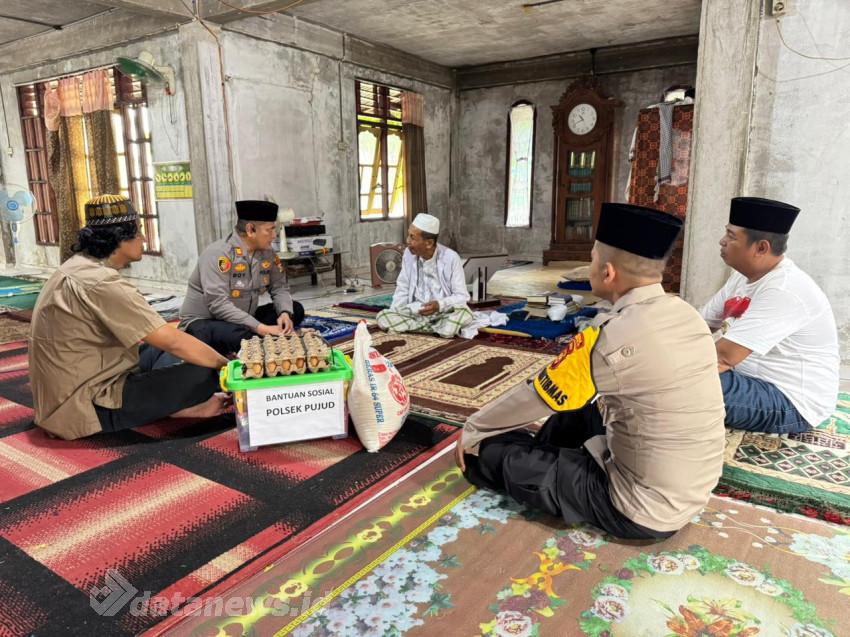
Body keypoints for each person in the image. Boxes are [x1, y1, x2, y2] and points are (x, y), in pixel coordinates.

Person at [455, 203, 725, 540]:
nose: (590, 266)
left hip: (638, 509)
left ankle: (532, 461)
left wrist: (474, 427)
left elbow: (539, 394)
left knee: (487, 452)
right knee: (578, 405)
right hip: (691, 490)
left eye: (593, 259)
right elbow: (563, 391)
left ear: (608, 273)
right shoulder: (686, 313)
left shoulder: (613, 336)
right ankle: (552, 460)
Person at [29, 194, 231, 440]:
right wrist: (228, 367)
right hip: (85, 405)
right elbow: (170, 341)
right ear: (120, 239)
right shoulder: (101, 282)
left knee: (188, 341)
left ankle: (177, 406)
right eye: (138, 232)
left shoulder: (77, 266)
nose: (144, 239)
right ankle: (179, 408)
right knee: (208, 373)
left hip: (69, 389)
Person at [699, 196, 839, 434]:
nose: (722, 241)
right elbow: (699, 325)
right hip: (748, 380)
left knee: (674, 384)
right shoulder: (742, 277)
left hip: (788, 402)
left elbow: (722, 357)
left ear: (761, 247)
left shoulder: (785, 289)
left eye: (731, 236)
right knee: (663, 373)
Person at [179, 200, 305, 356]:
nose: (274, 235)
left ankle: (259, 337)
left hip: (242, 319)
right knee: (242, 337)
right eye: (270, 230)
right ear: (250, 229)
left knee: (296, 309)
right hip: (206, 323)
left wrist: (285, 314)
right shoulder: (219, 254)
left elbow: (279, 286)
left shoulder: (267, 253)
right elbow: (218, 305)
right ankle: (259, 340)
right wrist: (261, 328)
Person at [376, 213, 473, 338]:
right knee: (382, 317)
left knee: (464, 313)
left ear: (428, 243)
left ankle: (423, 329)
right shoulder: (408, 254)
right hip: (417, 312)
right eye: (408, 235)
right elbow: (403, 287)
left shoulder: (451, 258)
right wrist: (395, 311)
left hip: (444, 313)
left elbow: (462, 296)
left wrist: (439, 305)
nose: (407, 241)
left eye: (412, 238)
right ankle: (434, 330)